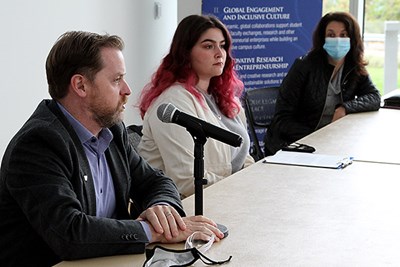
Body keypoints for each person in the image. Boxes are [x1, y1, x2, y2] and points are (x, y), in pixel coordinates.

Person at [0, 31, 224, 267]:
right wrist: (150, 231)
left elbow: (156, 181)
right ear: (80, 85)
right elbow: (69, 233)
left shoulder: (112, 131)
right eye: (116, 80)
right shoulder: (39, 144)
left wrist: (162, 208)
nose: (127, 89)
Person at [137, 15, 254, 199]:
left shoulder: (224, 97)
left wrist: (255, 182)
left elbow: (243, 157)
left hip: (227, 198)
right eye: (208, 46)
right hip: (186, 209)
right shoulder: (173, 102)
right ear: (186, 53)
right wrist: (243, 189)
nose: (219, 53)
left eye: (222, 46)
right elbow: (187, 181)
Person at [264, 11, 381, 156]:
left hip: (332, 144)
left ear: (352, 39)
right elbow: (282, 120)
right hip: (295, 145)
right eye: (331, 35)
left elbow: (374, 97)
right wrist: (318, 136)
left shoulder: (353, 67)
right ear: (323, 38)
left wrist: (344, 108)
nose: (337, 40)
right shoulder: (304, 66)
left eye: (343, 35)